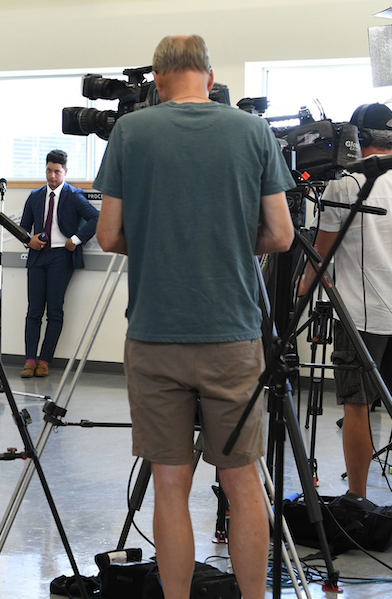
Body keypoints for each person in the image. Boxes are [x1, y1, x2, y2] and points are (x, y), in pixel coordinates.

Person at [94, 35, 294, 599]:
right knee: (242, 484)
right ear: (210, 76)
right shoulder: (253, 132)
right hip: (232, 335)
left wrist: (159, 244)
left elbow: (108, 234)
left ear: (157, 80)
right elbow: (280, 234)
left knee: (170, 485)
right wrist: (228, 243)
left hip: (155, 334)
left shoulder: (130, 133)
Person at [298, 102, 392, 499]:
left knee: (356, 407)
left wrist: (302, 287)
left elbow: (320, 254)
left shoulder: (346, 183)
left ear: (358, 139)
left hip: (361, 316)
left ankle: (357, 499)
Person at [19, 149, 99, 378]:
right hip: (38, 256)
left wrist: (75, 239)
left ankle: (44, 361)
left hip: (61, 257)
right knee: (33, 310)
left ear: (65, 172)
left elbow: (96, 218)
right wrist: (29, 240)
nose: (52, 176)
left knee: (54, 310)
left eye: (57, 172)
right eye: (48, 170)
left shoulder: (73, 195)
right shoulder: (35, 196)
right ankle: (29, 360)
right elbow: (23, 228)